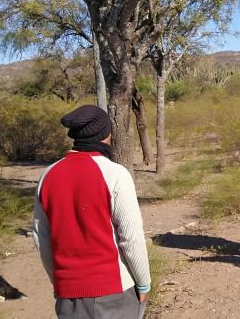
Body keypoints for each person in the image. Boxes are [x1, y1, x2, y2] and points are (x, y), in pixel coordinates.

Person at [32, 105, 151, 319]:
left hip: (68, 297)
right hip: (113, 292)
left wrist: (60, 281)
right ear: (106, 134)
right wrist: (143, 284)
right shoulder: (115, 174)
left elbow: (42, 239)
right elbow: (131, 238)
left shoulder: (47, 176)